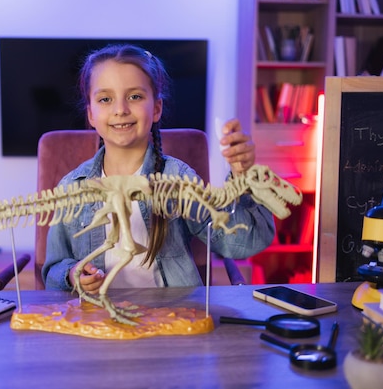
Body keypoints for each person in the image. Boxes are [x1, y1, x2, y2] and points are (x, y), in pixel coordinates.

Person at [42, 44, 275, 292]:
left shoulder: (178, 179)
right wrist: (71, 274)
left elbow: (244, 243)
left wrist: (244, 176)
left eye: (135, 96)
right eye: (105, 99)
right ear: (90, 114)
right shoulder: (72, 186)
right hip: (97, 321)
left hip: (170, 317)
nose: (120, 109)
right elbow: (53, 269)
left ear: (156, 109)